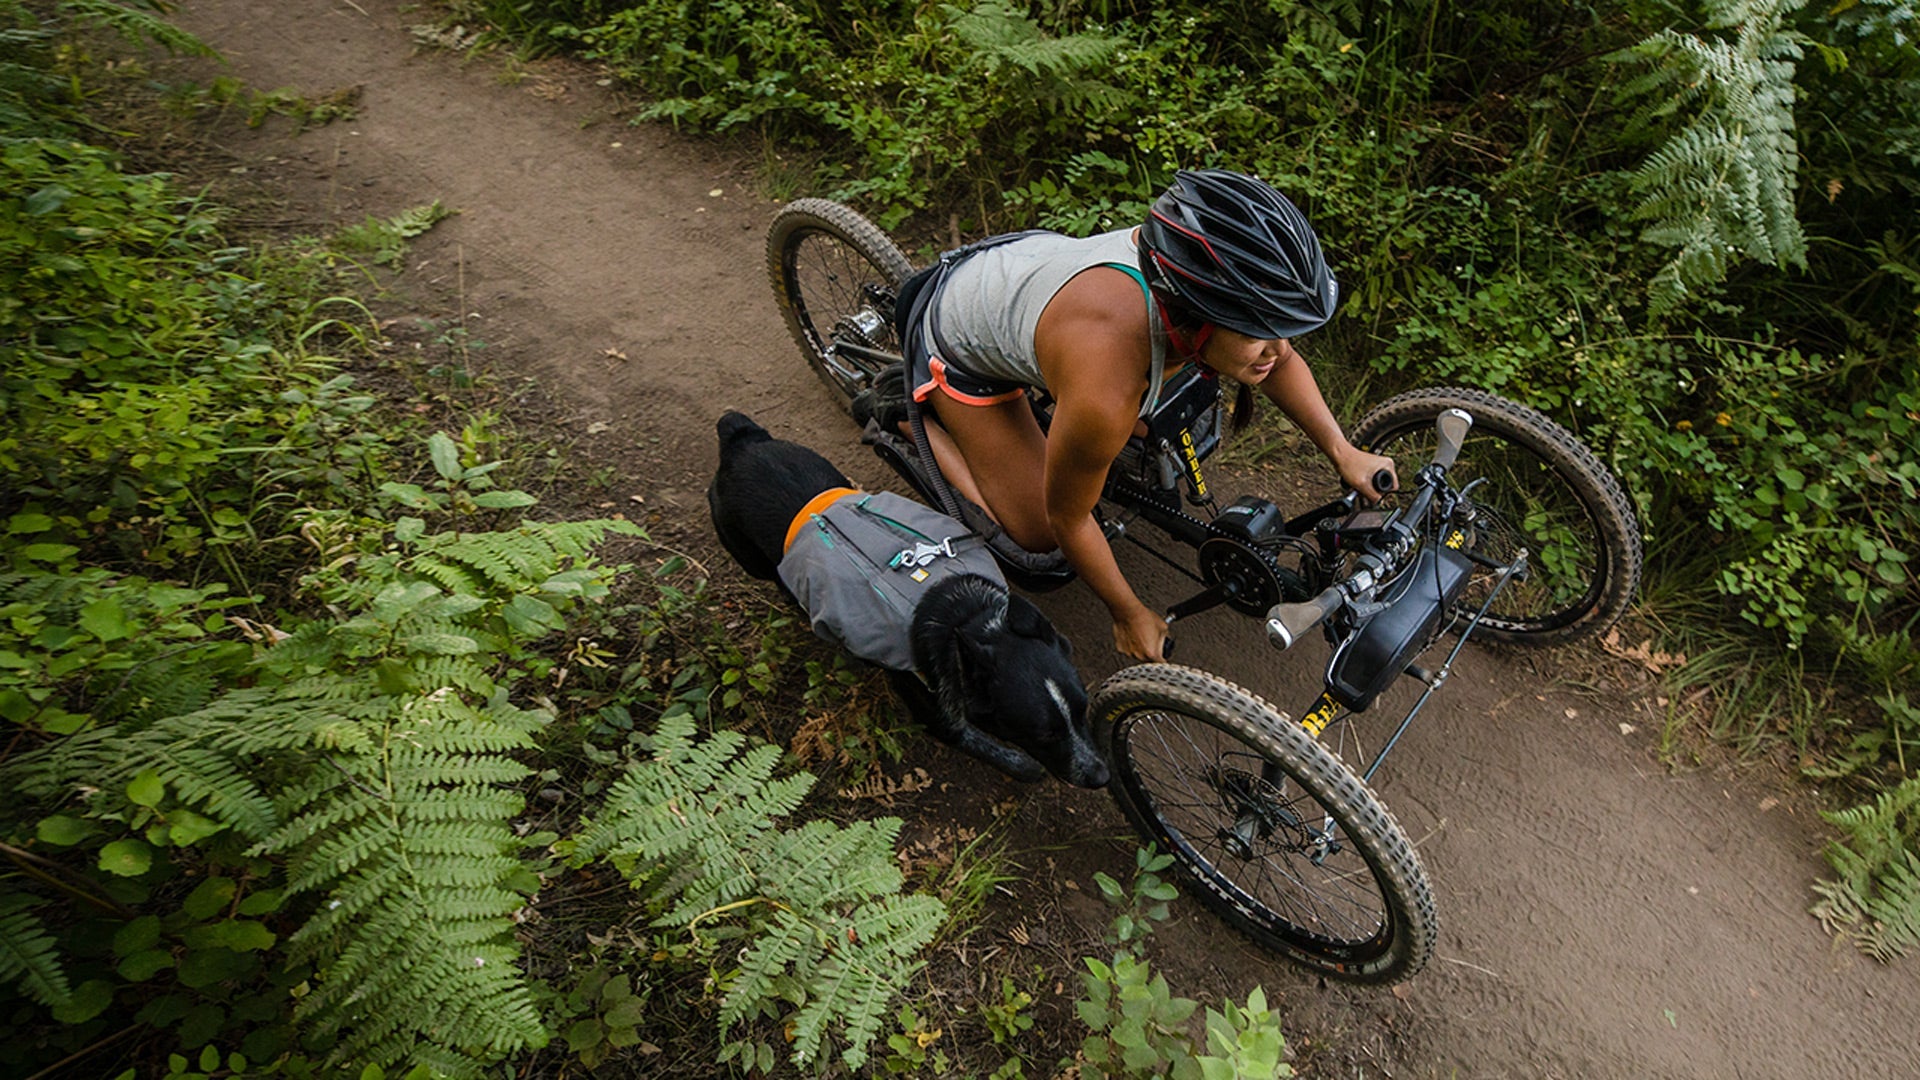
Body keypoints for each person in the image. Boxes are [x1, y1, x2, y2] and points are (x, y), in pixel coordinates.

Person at [898, 168, 1395, 663]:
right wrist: (1127, 612)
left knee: (1135, 428)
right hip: (961, 345)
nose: (1278, 349)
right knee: (1039, 538)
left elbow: (1280, 359)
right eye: (1258, 333)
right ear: (1195, 314)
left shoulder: (1181, 273)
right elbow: (1068, 519)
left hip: (1025, 275)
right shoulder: (1106, 387)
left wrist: (1342, 450)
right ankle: (912, 419)